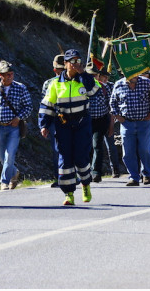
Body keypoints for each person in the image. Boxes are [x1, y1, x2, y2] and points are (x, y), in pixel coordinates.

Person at [39, 49, 99, 206]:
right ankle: (69, 193)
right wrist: (44, 124)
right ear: (65, 64)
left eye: (78, 61)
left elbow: (94, 92)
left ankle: (85, 184)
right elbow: (47, 105)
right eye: (71, 61)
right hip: (63, 124)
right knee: (65, 159)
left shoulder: (84, 79)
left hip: (82, 123)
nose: (75, 64)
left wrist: (84, 74)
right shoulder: (55, 84)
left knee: (81, 157)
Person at [0, 60, 32, 191]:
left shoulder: (21, 88)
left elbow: (28, 106)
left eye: (11, 73)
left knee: (10, 155)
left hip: (14, 128)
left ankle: (4, 181)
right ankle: (14, 172)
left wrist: (19, 118)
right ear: (0, 75)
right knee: (2, 157)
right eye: (7, 74)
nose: (10, 76)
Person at [110, 71, 150, 186]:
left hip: (144, 122)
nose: (135, 75)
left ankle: (146, 174)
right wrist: (118, 116)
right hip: (127, 123)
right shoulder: (118, 84)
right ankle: (134, 177)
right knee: (128, 152)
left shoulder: (147, 83)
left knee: (145, 149)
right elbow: (113, 103)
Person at [41, 54, 65, 187]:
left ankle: (72, 175)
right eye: (59, 69)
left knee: (71, 148)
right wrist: (44, 124)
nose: (61, 71)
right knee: (57, 150)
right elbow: (45, 105)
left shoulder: (75, 81)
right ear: (54, 69)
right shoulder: (48, 83)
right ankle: (59, 177)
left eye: (63, 68)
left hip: (72, 119)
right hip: (55, 120)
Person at [86, 63, 112, 182]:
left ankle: (96, 172)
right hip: (85, 121)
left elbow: (110, 106)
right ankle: (86, 171)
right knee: (86, 147)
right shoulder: (81, 87)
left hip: (101, 120)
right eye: (90, 75)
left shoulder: (104, 87)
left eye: (95, 75)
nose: (93, 77)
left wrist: (111, 124)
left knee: (97, 145)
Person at [97, 67, 123, 177]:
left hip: (109, 116)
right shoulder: (92, 85)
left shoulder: (111, 86)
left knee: (111, 145)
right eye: (104, 76)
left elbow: (113, 104)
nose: (106, 78)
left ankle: (115, 169)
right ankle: (96, 170)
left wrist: (112, 122)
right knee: (96, 145)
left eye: (107, 76)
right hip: (96, 117)